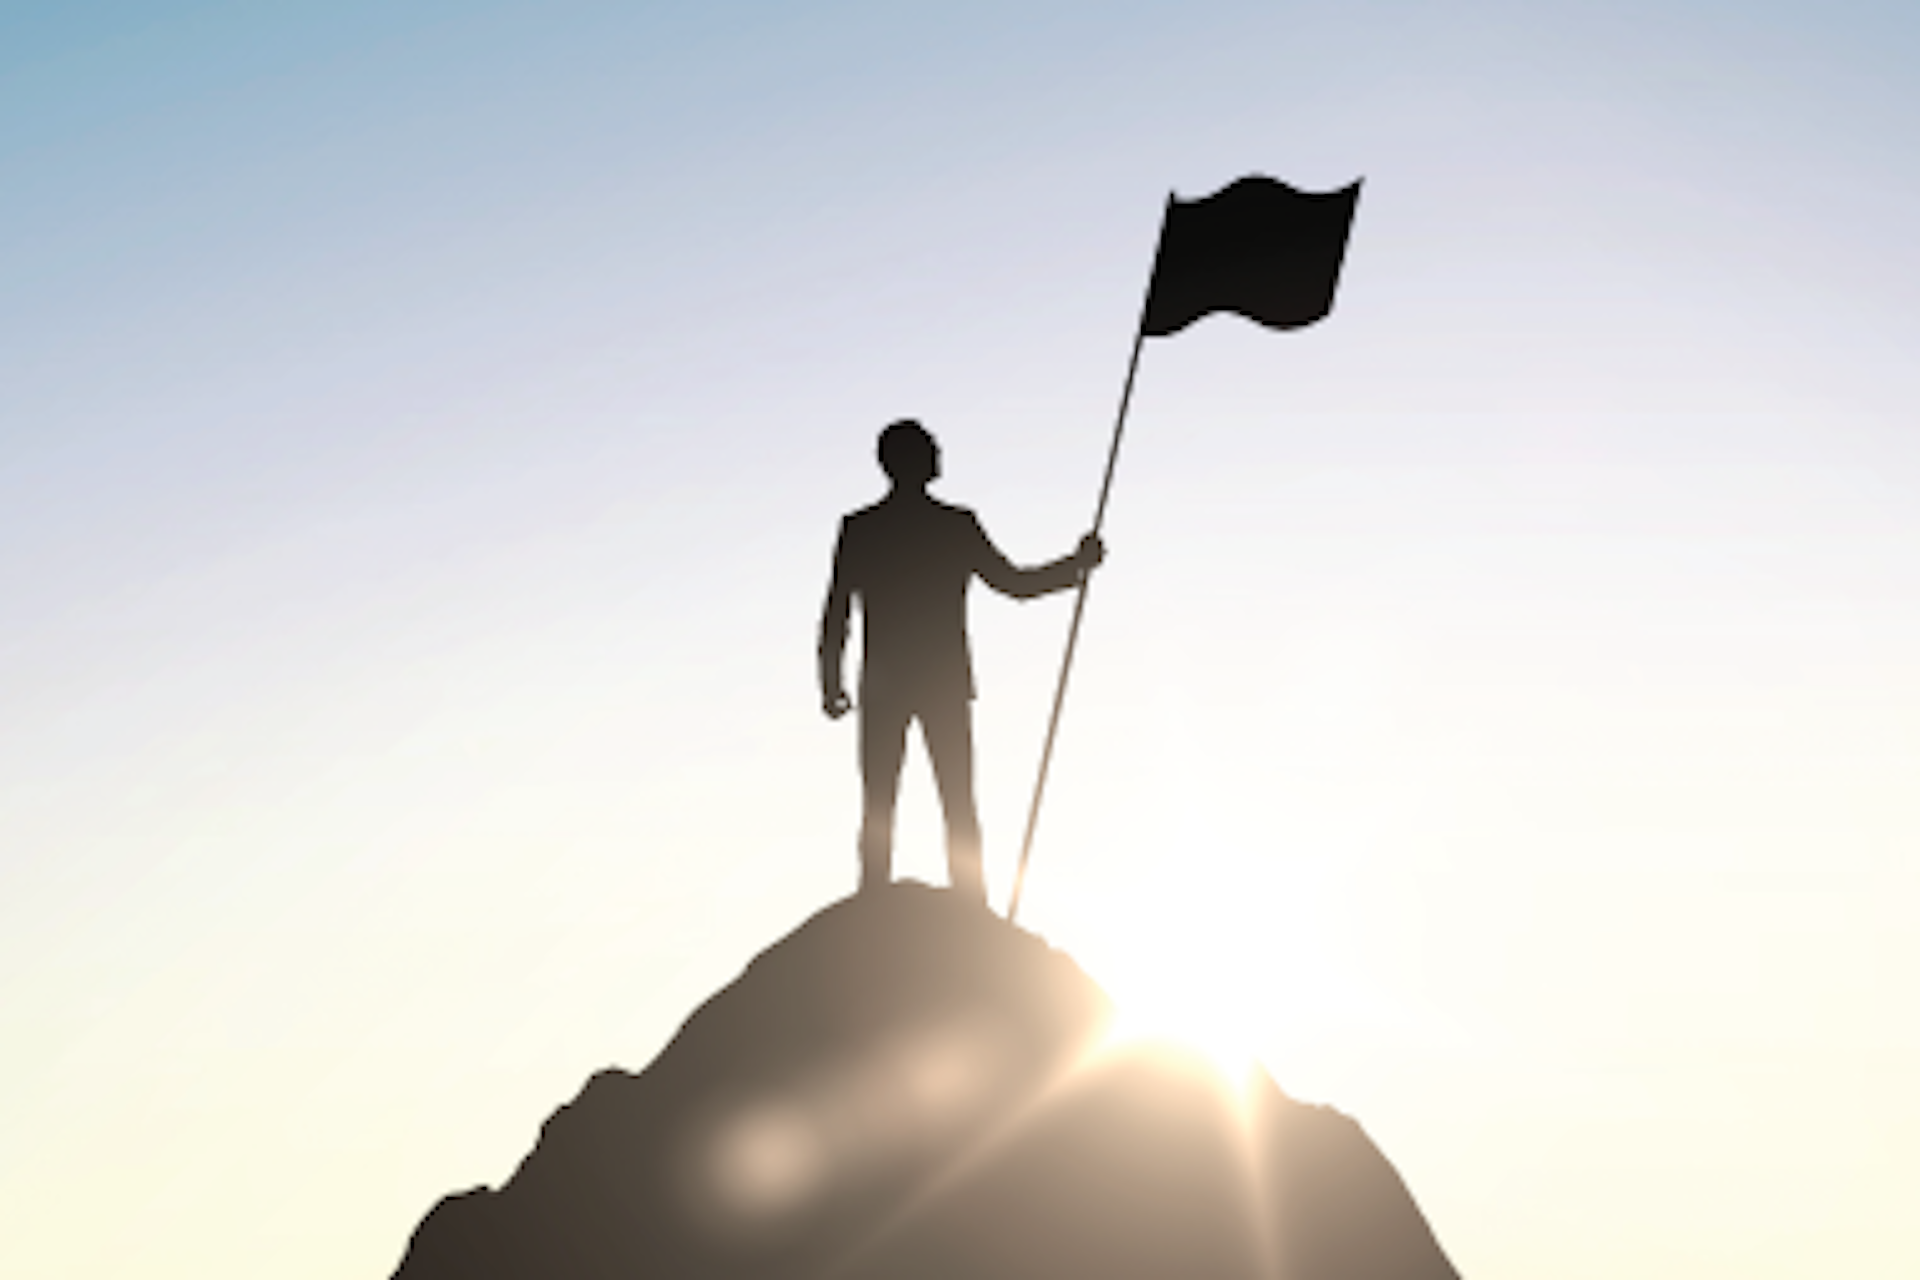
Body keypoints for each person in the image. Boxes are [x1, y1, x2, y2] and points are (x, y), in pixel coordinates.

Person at [819, 419, 1104, 906]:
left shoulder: (864, 528)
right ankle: (967, 901)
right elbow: (1014, 584)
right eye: (931, 447)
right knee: (952, 797)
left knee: (886, 800)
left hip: (890, 681)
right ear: (912, 460)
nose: (939, 452)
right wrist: (1074, 567)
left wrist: (831, 680)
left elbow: (837, 611)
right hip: (937, 680)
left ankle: (878, 899)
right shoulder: (952, 525)